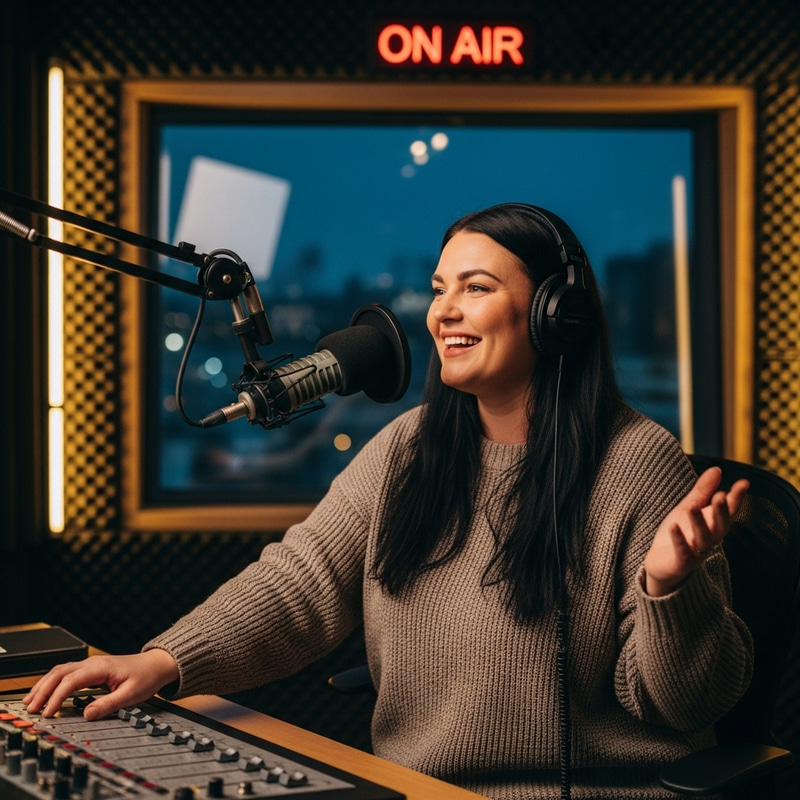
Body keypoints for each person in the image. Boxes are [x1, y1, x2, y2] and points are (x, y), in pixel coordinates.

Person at [24, 203, 753, 799]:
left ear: (553, 315)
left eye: (477, 287)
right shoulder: (409, 447)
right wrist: (162, 661)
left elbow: (687, 706)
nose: (444, 313)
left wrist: (670, 590)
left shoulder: (637, 463)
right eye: (439, 289)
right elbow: (298, 583)